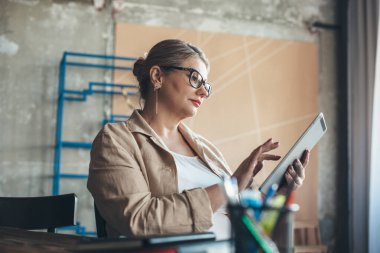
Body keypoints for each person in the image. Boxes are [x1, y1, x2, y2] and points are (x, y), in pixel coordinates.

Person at [87, 39, 309, 239]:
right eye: (195, 78)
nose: (204, 91)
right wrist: (228, 187)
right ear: (157, 76)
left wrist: (280, 192)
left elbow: (247, 223)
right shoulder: (116, 141)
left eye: (207, 85)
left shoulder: (206, 150)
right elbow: (139, 220)